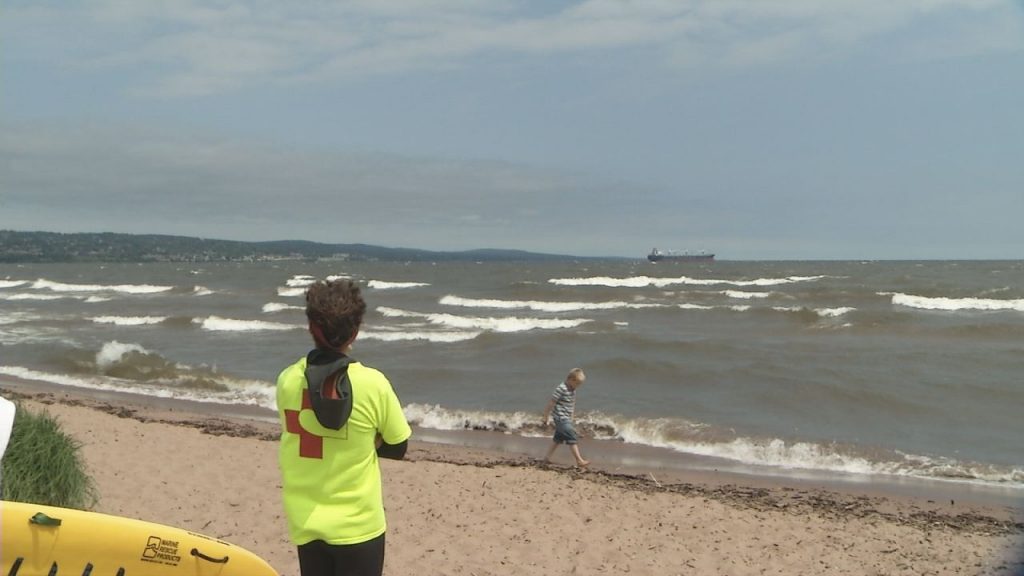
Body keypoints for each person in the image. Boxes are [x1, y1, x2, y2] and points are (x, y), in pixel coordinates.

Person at [277, 279, 412, 576]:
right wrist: (371, 440)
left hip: (305, 521)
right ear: (355, 331)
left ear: (311, 327)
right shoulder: (373, 384)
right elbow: (398, 446)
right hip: (358, 524)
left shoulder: (287, 380)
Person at [541, 367, 590, 468]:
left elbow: (572, 403)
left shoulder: (573, 390)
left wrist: (571, 417)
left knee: (557, 439)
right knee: (571, 437)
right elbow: (551, 402)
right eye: (577, 383)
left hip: (566, 418)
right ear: (571, 379)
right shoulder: (561, 388)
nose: (578, 386)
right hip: (560, 417)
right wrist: (545, 416)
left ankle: (546, 458)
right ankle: (579, 460)